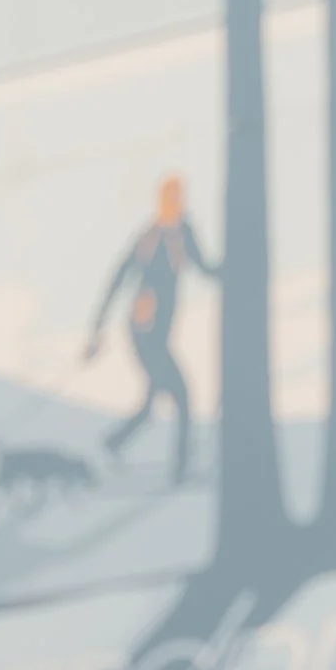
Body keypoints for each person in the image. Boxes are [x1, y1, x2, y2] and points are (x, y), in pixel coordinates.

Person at [86, 176, 217, 484]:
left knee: (153, 400)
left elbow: (205, 268)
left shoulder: (183, 233)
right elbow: (119, 276)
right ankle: (180, 467)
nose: (174, 203)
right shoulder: (150, 236)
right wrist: (98, 326)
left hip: (159, 332)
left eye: (177, 198)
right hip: (144, 331)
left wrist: (233, 270)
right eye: (169, 198)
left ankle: (113, 443)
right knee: (182, 395)